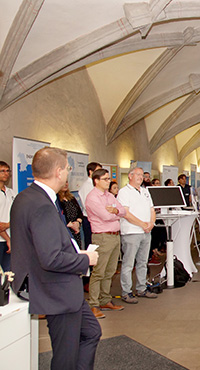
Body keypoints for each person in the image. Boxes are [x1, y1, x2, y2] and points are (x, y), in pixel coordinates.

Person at [11, 147, 101, 370]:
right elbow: (50, 259)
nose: (68, 173)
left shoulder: (27, 197)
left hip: (56, 286)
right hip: (55, 289)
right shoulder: (41, 205)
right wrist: (85, 260)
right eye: (68, 168)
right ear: (59, 171)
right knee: (66, 356)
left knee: (91, 332)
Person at [85, 168, 127, 318]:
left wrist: (114, 211)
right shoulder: (92, 197)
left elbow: (122, 211)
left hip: (115, 236)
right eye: (106, 179)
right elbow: (104, 216)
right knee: (99, 272)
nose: (109, 181)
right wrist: (115, 213)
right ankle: (94, 304)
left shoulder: (109, 195)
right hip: (102, 237)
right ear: (96, 181)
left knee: (110, 271)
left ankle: (105, 299)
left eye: (109, 179)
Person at [116, 167, 158, 304]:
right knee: (128, 264)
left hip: (146, 232)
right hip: (131, 232)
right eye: (138, 175)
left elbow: (152, 209)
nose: (141, 177)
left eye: (142, 175)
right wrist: (142, 224)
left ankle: (141, 288)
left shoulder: (145, 192)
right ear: (130, 176)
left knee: (142, 262)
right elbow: (126, 213)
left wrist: (151, 223)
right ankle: (126, 292)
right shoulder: (123, 192)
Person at [78, 162, 101, 248]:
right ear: (91, 172)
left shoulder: (96, 185)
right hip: (89, 219)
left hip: (98, 219)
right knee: (91, 244)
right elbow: (87, 205)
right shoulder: (86, 186)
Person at [58, 180, 84, 249]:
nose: (66, 184)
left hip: (76, 231)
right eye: (63, 182)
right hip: (66, 231)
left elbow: (80, 213)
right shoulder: (57, 199)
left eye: (66, 182)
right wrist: (72, 225)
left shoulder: (71, 198)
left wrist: (78, 223)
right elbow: (60, 215)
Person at [0, 161, 15, 271]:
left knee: (8, 272)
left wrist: (9, 224)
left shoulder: (12, 193)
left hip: (11, 238)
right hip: (2, 239)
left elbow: (17, 214)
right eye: (2, 171)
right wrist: (7, 238)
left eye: (8, 171)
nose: (6, 174)